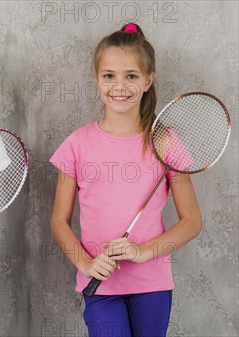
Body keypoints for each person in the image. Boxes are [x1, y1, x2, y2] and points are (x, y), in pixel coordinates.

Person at [49, 23, 202, 337]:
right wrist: (86, 264)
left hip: (152, 285)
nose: (119, 86)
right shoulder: (77, 145)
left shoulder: (165, 143)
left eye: (131, 76)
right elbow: (59, 223)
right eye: (109, 76)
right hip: (101, 285)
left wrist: (142, 252)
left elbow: (191, 222)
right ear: (97, 79)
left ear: (148, 81)